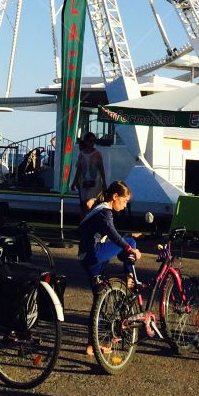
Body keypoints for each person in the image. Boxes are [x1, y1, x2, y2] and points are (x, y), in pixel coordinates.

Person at [77, 180, 139, 356]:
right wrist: (130, 249)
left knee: (99, 299)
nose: (125, 205)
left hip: (85, 258)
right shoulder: (105, 212)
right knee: (130, 242)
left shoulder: (100, 208)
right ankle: (129, 278)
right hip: (94, 254)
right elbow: (113, 234)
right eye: (125, 201)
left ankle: (91, 346)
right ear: (115, 197)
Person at [74, 133, 106, 210]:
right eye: (90, 141)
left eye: (94, 141)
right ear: (86, 141)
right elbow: (79, 170)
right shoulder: (81, 154)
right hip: (84, 182)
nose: (92, 143)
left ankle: (91, 218)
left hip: (95, 182)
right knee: (84, 203)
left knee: (89, 202)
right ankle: (88, 219)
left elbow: (101, 168)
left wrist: (104, 182)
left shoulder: (97, 154)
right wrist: (74, 182)